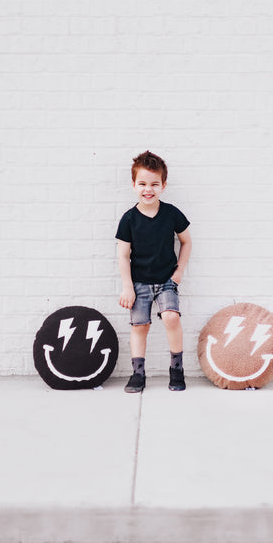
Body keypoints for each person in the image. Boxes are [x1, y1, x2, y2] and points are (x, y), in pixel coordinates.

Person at [115, 150, 192, 393]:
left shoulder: (171, 213)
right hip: (138, 283)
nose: (148, 189)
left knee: (171, 317)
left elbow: (187, 241)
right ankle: (138, 373)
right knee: (140, 326)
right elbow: (123, 255)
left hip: (166, 280)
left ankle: (176, 369)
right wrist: (128, 286)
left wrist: (178, 271)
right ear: (134, 185)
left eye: (154, 184)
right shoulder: (129, 219)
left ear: (163, 185)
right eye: (143, 184)